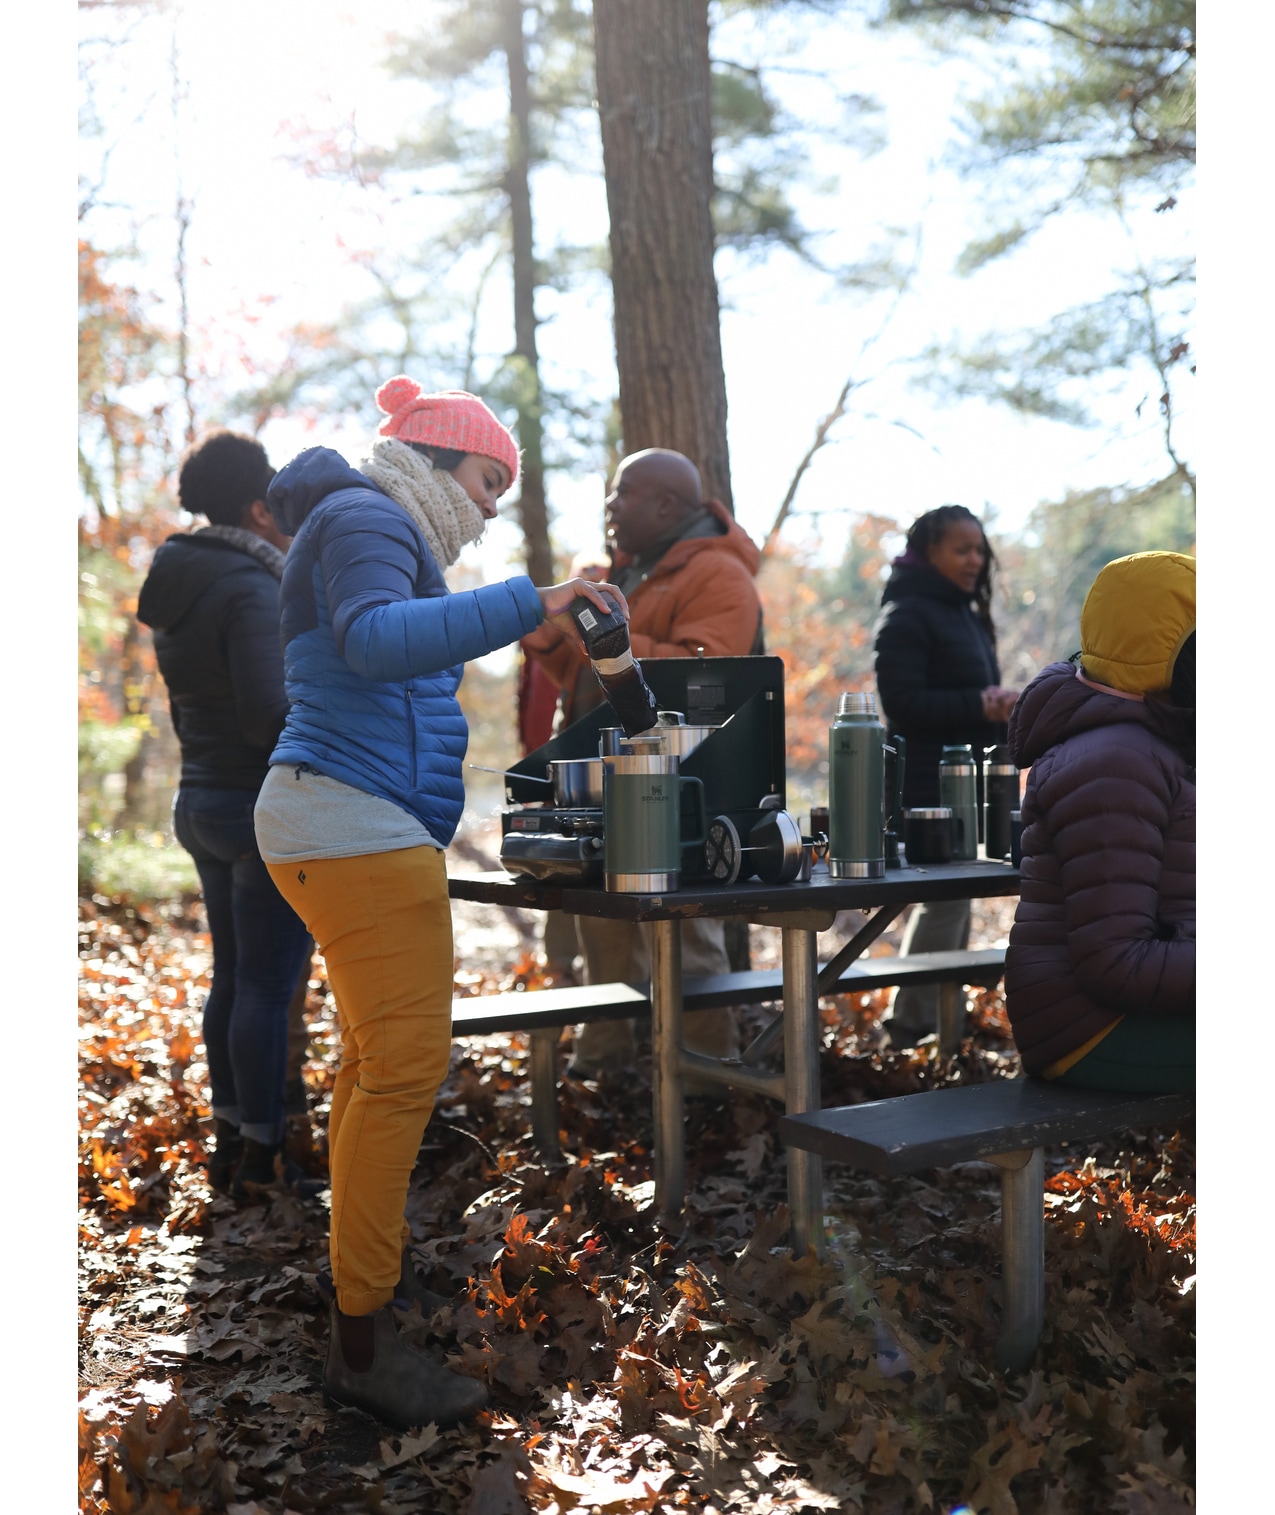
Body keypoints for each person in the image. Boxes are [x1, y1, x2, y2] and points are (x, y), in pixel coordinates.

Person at [252, 376, 626, 1429]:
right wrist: (531, 600)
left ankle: (363, 1283)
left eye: (507, 487)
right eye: (487, 479)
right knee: (403, 1072)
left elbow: (381, 643)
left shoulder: (363, 519)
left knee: (377, 1068)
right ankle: (362, 1341)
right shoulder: (370, 516)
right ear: (432, 455)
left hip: (342, 821)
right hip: (349, 823)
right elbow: (374, 640)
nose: (495, 505)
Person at [521, 447, 764, 1080]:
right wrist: (558, 635)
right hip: (597, 784)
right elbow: (586, 674)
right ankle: (605, 1067)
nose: (609, 506)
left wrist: (598, 636)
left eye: (620, 494)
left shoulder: (719, 574)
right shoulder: (627, 572)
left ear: (663, 505)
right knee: (602, 929)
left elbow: (703, 676)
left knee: (685, 938)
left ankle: (711, 1077)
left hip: (678, 792)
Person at [137, 430, 315, 1197]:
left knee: (235, 976)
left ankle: (231, 1132)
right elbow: (264, 714)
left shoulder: (182, 579)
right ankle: (260, 1154)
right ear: (255, 506)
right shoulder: (247, 585)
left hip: (201, 798)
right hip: (255, 806)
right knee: (268, 986)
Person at [1005, 552, 1195, 1092]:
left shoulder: (1156, 740)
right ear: (1176, 656)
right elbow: (1117, 963)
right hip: (1091, 1030)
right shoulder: (1114, 761)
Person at [872, 504, 1020, 1049]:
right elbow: (900, 704)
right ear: (927, 553)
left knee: (953, 899)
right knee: (945, 899)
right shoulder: (907, 614)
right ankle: (913, 1024)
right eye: (962, 549)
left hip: (966, 784)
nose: (975, 560)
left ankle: (933, 1019)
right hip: (926, 786)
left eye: (980, 550)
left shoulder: (966, 613)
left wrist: (996, 709)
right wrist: (980, 704)